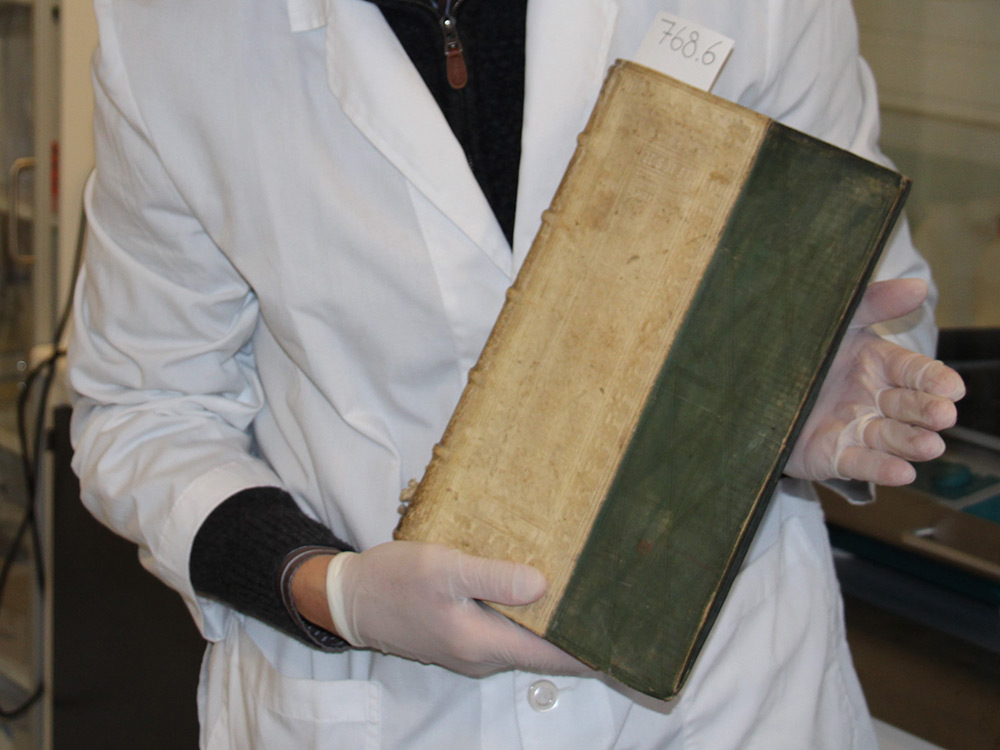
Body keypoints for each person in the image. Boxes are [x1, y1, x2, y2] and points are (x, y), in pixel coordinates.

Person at [67, 0, 965, 747]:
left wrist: (783, 394)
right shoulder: (177, 33)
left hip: (727, 706)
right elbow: (145, 406)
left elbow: (875, 287)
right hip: (388, 709)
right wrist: (332, 590)